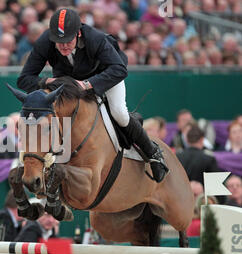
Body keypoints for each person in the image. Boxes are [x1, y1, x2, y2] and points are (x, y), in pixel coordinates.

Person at [17, 7, 168, 183]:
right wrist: (45, 82)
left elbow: (119, 69)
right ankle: (47, 162)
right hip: (69, 83)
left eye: (68, 40)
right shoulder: (45, 41)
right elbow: (24, 79)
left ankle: (152, 152)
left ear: (78, 34)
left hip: (105, 76)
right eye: (59, 42)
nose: (64, 45)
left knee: (119, 112)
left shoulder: (95, 38)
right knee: (51, 116)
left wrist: (88, 84)